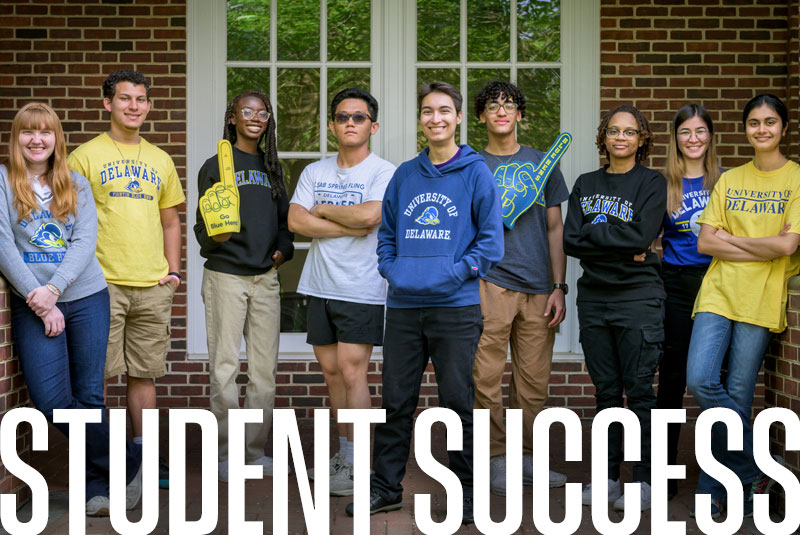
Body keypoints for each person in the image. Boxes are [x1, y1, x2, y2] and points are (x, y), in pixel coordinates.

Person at [346, 81, 504, 524]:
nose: (435, 118)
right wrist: (392, 269)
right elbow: (388, 235)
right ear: (421, 120)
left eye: (443, 111)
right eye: (427, 112)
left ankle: (466, 495)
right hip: (402, 308)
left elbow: (490, 245)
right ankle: (386, 489)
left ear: (457, 118)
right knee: (397, 402)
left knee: (457, 403)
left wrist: (452, 273)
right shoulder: (405, 175)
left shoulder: (476, 173)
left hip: (455, 307)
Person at [0, 102, 142, 516]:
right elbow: (4, 246)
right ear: (17, 138)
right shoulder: (5, 182)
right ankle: (130, 460)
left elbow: (84, 243)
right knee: (53, 401)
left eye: (46, 132)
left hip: (86, 298)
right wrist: (41, 301)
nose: (37, 139)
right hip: (33, 303)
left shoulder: (75, 183)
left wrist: (55, 290)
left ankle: (98, 487)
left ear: (57, 139)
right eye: (28, 132)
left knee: (89, 397)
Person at [686, 94, 800, 519]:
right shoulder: (732, 180)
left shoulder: (796, 180)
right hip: (718, 292)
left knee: (736, 393)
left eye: (770, 122)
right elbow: (704, 242)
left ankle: (716, 489)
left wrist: (732, 240)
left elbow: (788, 245)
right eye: (754, 123)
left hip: (762, 296)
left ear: (783, 128)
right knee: (700, 380)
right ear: (746, 129)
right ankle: (757, 467)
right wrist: (764, 247)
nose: (762, 129)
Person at [68, 70, 185, 483]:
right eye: (124, 99)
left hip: (152, 285)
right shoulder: (83, 157)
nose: (134, 106)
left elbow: (171, 221)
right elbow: (68, 222)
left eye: (141, 99)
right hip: (101, 285)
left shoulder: (160, 159)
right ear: (108, 104)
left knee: (144, 375)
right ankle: (105, 462)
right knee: (97, 378)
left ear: (149, 106)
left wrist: (173, 272)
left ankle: (145, 460)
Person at [288, 88, 395, 496]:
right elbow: (297, 221)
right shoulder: (315, 172)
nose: (350, 122)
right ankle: (345, 453)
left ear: (373, 126)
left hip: (362, 287)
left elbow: (372, 215)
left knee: (354, 373)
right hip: (319, 285)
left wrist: (325, 210)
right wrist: (349, 224)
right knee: (332, 374)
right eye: (343, 117)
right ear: (332, 125)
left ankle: (361, 464)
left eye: (359, 117)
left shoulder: (383, 172)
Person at [563, 104, 666, 511]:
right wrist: (619, 241)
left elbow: (642, 236)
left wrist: (598, 234)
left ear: (642, 140)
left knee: (640, 391)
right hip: (595, 300)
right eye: (613, 131)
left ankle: (643, 481)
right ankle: (605, 479)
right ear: (603, 137)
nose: (620, 137)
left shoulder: (652, 182)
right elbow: (572, 240)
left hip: (638, 298)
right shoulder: (586, 183)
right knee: (606, 393)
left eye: (629, 132)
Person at [471, 81, 568, 495]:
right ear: (481, 117)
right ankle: (494, 459)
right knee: (486, 377)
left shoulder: (542, 163)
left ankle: (528, 458)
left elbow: (554, 226)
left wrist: (559, 285)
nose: (501, 112)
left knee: (533, 380)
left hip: (538, 287)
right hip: (488, 282)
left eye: (509, 105)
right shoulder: (470, 165)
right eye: (492, 106)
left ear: (520, 115)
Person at [194, 90, 294, 482]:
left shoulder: (272, 167)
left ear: (268, 120)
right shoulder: (215, 165)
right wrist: (216, 238)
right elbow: (204, 228)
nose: (255, 117)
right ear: (232, 117)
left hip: (265, 277)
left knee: (264, 371)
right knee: (224, 367)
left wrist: (283, 252)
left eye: (262, 112)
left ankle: (252, 452)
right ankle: (224, 454)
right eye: (246, 111)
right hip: (225, 275)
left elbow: (285, 223)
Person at [657, 103, 720, 501]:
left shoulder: (725, 182)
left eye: (700, 131)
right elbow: (649, 238)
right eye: (685, 132)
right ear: (676, 138)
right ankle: (664, 472)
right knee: (672, 381)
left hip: (718, 284)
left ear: (710, 136)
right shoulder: (664, 184)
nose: (693, 139)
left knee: (714, 380)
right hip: (677, 286)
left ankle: (720, 472)